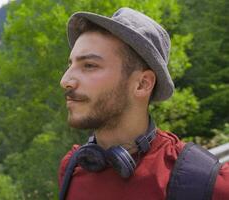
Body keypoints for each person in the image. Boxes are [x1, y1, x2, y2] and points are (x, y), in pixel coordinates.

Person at [58, 7, 229, 200]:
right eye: (70, 65)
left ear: (142, 84)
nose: (65, 80)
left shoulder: (207, 182)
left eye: (89, 65)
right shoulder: (71, 168)